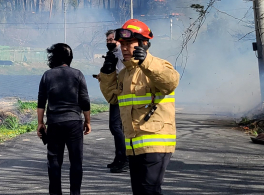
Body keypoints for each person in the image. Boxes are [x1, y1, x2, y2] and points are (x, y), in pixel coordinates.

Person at [99, 19, 179, 195]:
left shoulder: (159, 65)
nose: (124, 48)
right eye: (122, 44)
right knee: (140, 191)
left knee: (149, 190)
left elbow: (170, 82)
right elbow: (112, 97)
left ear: (144, 44)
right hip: (134, 145)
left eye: (129, 43)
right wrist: (107, 73)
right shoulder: (125, 73)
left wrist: (147, 62)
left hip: (156, 143)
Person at [37, 43, 91, 195]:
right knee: (76, 161)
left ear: (53, 58)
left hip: (54, 123)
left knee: (54, 161)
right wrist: (87, 121)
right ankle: (75, 193)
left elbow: (41, 102)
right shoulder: (77, 74)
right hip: (74, 122)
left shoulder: (47, 75)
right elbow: (85, 101)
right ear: (69, 58)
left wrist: (40, 123)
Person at [103, 29, 128, 173]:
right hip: (116, 93)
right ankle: (119, 158)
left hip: (123, 93)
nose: (110, 42)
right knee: (115, 127)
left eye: (112, 39)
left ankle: (124, 159)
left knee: (117, 127)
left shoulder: (122, 54)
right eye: (107, 40)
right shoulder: (111, 54)